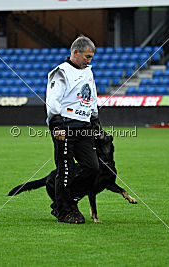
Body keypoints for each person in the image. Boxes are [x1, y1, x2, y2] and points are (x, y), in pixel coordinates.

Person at [45, 36, 101, 224]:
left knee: (93, 167)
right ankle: (64, 211)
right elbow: (53, 101)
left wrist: (95, 120)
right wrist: (57, 125)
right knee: (66, 170)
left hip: (84, 126)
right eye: (87, 56)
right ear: (75, 52)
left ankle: (67, 200)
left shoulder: (88, 72)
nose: (89, 60)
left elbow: (92, 97)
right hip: (65, 126)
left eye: (91, 57)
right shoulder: (61, 72)